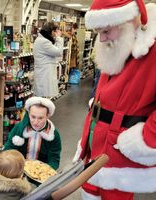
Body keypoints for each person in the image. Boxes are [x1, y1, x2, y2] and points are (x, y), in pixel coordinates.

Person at [73, 0, 156, 199]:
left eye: (106, 31)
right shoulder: (119, 43)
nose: (101, 40)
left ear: (129, 21)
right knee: (88, 190)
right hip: (95, 139)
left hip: (120, 148)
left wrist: (146, 138)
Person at [4, 96, 62, 170]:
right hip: (19, 169)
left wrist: (45, 171)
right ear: (28, 114)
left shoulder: (53, 135)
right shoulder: (18, 128)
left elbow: (54, 159)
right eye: (33, 117)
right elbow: (8, 149)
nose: (36, 122)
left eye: (40, 118)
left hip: (41, 173)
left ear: (48, 116)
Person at [33, 22, 64, 98]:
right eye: (55, 31)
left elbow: (55, 51)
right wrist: (59, 38)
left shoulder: (42, 39)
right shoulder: (44, 42)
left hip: (44, 72)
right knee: (43, 98)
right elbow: (59, 52)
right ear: (51, 31)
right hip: (44, 74)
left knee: (43, 97)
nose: (55, 34)